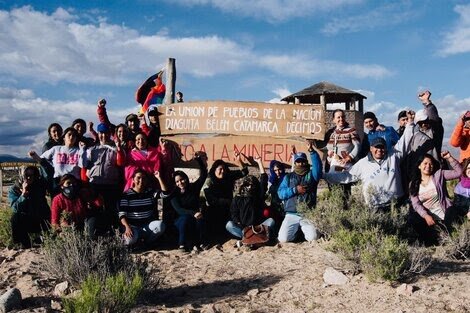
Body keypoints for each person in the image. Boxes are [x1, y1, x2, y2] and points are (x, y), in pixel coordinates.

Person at [324, 115, 414, 211]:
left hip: (395, 203)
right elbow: (347, 176)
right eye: (376, 147)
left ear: (385, 148)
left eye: (382, 147)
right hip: (375, 207)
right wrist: (324, 176)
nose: (379, 150)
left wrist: (410, 124)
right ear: (371, 148)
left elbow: (405, 141)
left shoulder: (393, 156)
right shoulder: (363, 163)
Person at [408, 152, 463, 246]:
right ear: (419, 166)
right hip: (429, 220)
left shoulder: (439, 175)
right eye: (425, 163)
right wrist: (425, 215)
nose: (428, 166)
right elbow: (416, 204)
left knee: (452, 210)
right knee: (413, 217)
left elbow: (459, 173)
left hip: (444, 217)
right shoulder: (414, 184)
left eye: (431, 164)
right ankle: (426, 241)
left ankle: (451, 238)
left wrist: (449, 158)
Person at [80, 123, 125, 230]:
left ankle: (112, 232)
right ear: (98, 133)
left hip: (111, 186)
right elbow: (84, 167)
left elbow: (121, 163)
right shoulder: (91, 149)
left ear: (109, 134)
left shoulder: (115, 148)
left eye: (106, 133)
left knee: (111, 210)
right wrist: (85, 185)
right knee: (95, 210)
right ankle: (95, 232)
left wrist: (118, 148)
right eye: (101, 133)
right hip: (94, 186)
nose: (103, 136)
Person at [277, 141, 322, 243]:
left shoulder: (312, 175)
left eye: (303, 162)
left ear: (306, 162)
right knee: (283, 239)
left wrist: (312, 151)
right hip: (291, 213)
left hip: (307, 213)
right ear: (295, 163)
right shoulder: (288, 177)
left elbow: (318, 167)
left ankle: (312, 230)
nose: (300, 164)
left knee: (313, 238)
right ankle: (297, 233)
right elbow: (280, 193)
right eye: (298, 162)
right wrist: (294, 190)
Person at [226, 157, 275, 245]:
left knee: (271, 221)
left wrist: (260, 162)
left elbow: (264, 179)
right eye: (247, 185)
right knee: (229, 225)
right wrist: (239, 223)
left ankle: (249, 239)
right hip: (243, 228)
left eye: (252, 185)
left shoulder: (258, 195)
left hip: (257, 227)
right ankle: (251, 238)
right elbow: (234, 213)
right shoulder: (237, 198)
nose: (250, 187)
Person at [118, 169, 168, 247]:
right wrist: (127, 227)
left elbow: (165, 194)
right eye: (138, 178)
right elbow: (122, 214)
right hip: (133, 227)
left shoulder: (150, 192)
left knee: (160, 225)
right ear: (133, 180)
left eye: (144, 178)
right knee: (129, 241)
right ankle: (137, 241)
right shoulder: (127, 195)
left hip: (147, 227)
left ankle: (146, 243)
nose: (141, 180)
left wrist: (159, 178)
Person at [29, 127, 85, 195]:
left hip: (73, 182)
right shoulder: (56, 149)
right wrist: (34, 156)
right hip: (58, 181)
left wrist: (82, 149)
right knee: (57, 202)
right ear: (64, 137)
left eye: (74, 135)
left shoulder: (79, 150)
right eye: (69, 135)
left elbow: (83, 164)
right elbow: (42, 159)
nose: (71, 137)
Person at [203, 153, 249, 235]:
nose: (222, 171)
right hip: (215, 210)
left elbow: (244, 172)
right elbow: (211, 200)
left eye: (224, 169)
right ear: (214, 170)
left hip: (229, 209)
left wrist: (239, 161)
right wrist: (229, 202)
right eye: (220, 169)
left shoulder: (228, 177)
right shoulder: (210, 181)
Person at [171, 153, 209, 251]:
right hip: (180, 220)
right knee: (185, 218)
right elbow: (179, 210)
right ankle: (181, 244)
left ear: (186, 179)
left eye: (182, 179)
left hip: (195, 217)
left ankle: (202, 242)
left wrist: (199, 161)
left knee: (200, 219)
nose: (180, 183)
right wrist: (193, 213)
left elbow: (203, 175)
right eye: (177, 181)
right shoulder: (174, 194)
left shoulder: (193, 188)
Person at [8, 166, 50, 248]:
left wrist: (41, 162)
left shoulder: (39, 185)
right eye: (26, 175)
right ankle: (23, 243)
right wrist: (23, 195)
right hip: (26, 220)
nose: (29, 177)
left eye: (32, 175)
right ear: (22, 175)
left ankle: (45, 238)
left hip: (41, 218)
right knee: (15, 217)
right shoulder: (14, 189)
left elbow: (48, 176)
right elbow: (15, 208)